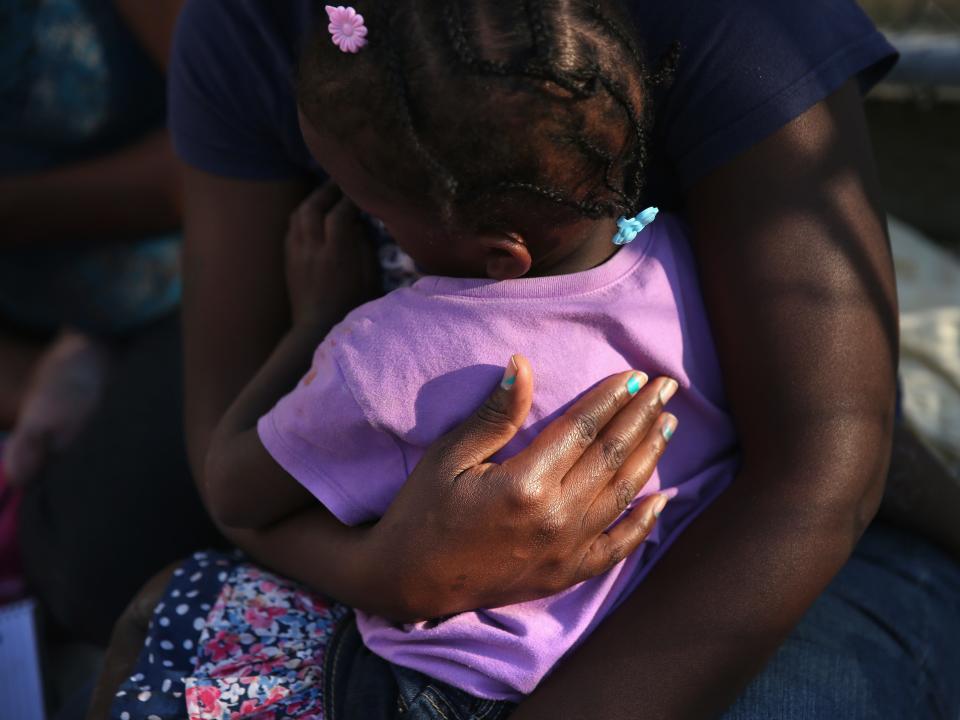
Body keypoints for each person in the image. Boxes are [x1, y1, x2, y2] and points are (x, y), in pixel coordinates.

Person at [95, 0, 960, 717]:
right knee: (96, 534)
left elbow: (233, 481)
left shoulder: (379, 354)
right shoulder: (672, 262)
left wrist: (321, 321)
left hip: (488, 657)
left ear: (494, 251)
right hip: (647, 557)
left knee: (158, 624)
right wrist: (390, 574)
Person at [1, 0, 222, 645]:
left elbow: (224, 147)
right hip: (42, 335)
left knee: (92, 567)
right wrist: (31, 383)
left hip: (195, 276)